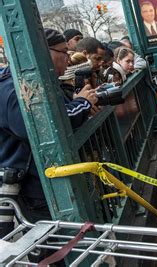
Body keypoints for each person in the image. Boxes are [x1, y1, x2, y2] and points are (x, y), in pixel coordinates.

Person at [0, 28, 97, 238]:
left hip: (44, 180)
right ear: (42, 53)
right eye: (63, 52)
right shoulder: (13, 89)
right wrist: (83, 103)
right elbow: (47, 127)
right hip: (37, 186)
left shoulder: (35, 83)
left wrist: (79, 103)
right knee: (57, 241)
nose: (68, 57)